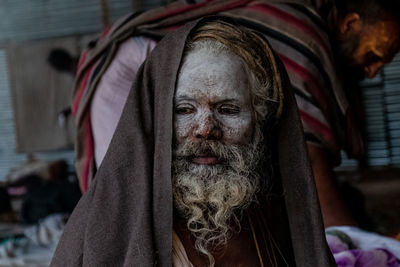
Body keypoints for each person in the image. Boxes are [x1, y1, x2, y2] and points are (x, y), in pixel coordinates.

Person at [71, 0, 400, 227]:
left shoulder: (306, 26)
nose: (372, 72)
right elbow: (309, 156)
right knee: (130, 200)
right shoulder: (305, 39)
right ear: (350, 23)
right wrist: (349, 239)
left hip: (182, 82)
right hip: (136, 70)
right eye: (374, 55)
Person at [51, 18, 335, 266]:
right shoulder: (105, 233)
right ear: (156, 120)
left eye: (228, 109)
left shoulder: (279, 220)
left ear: (259, 121)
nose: (205, 129)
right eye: (184, 110)